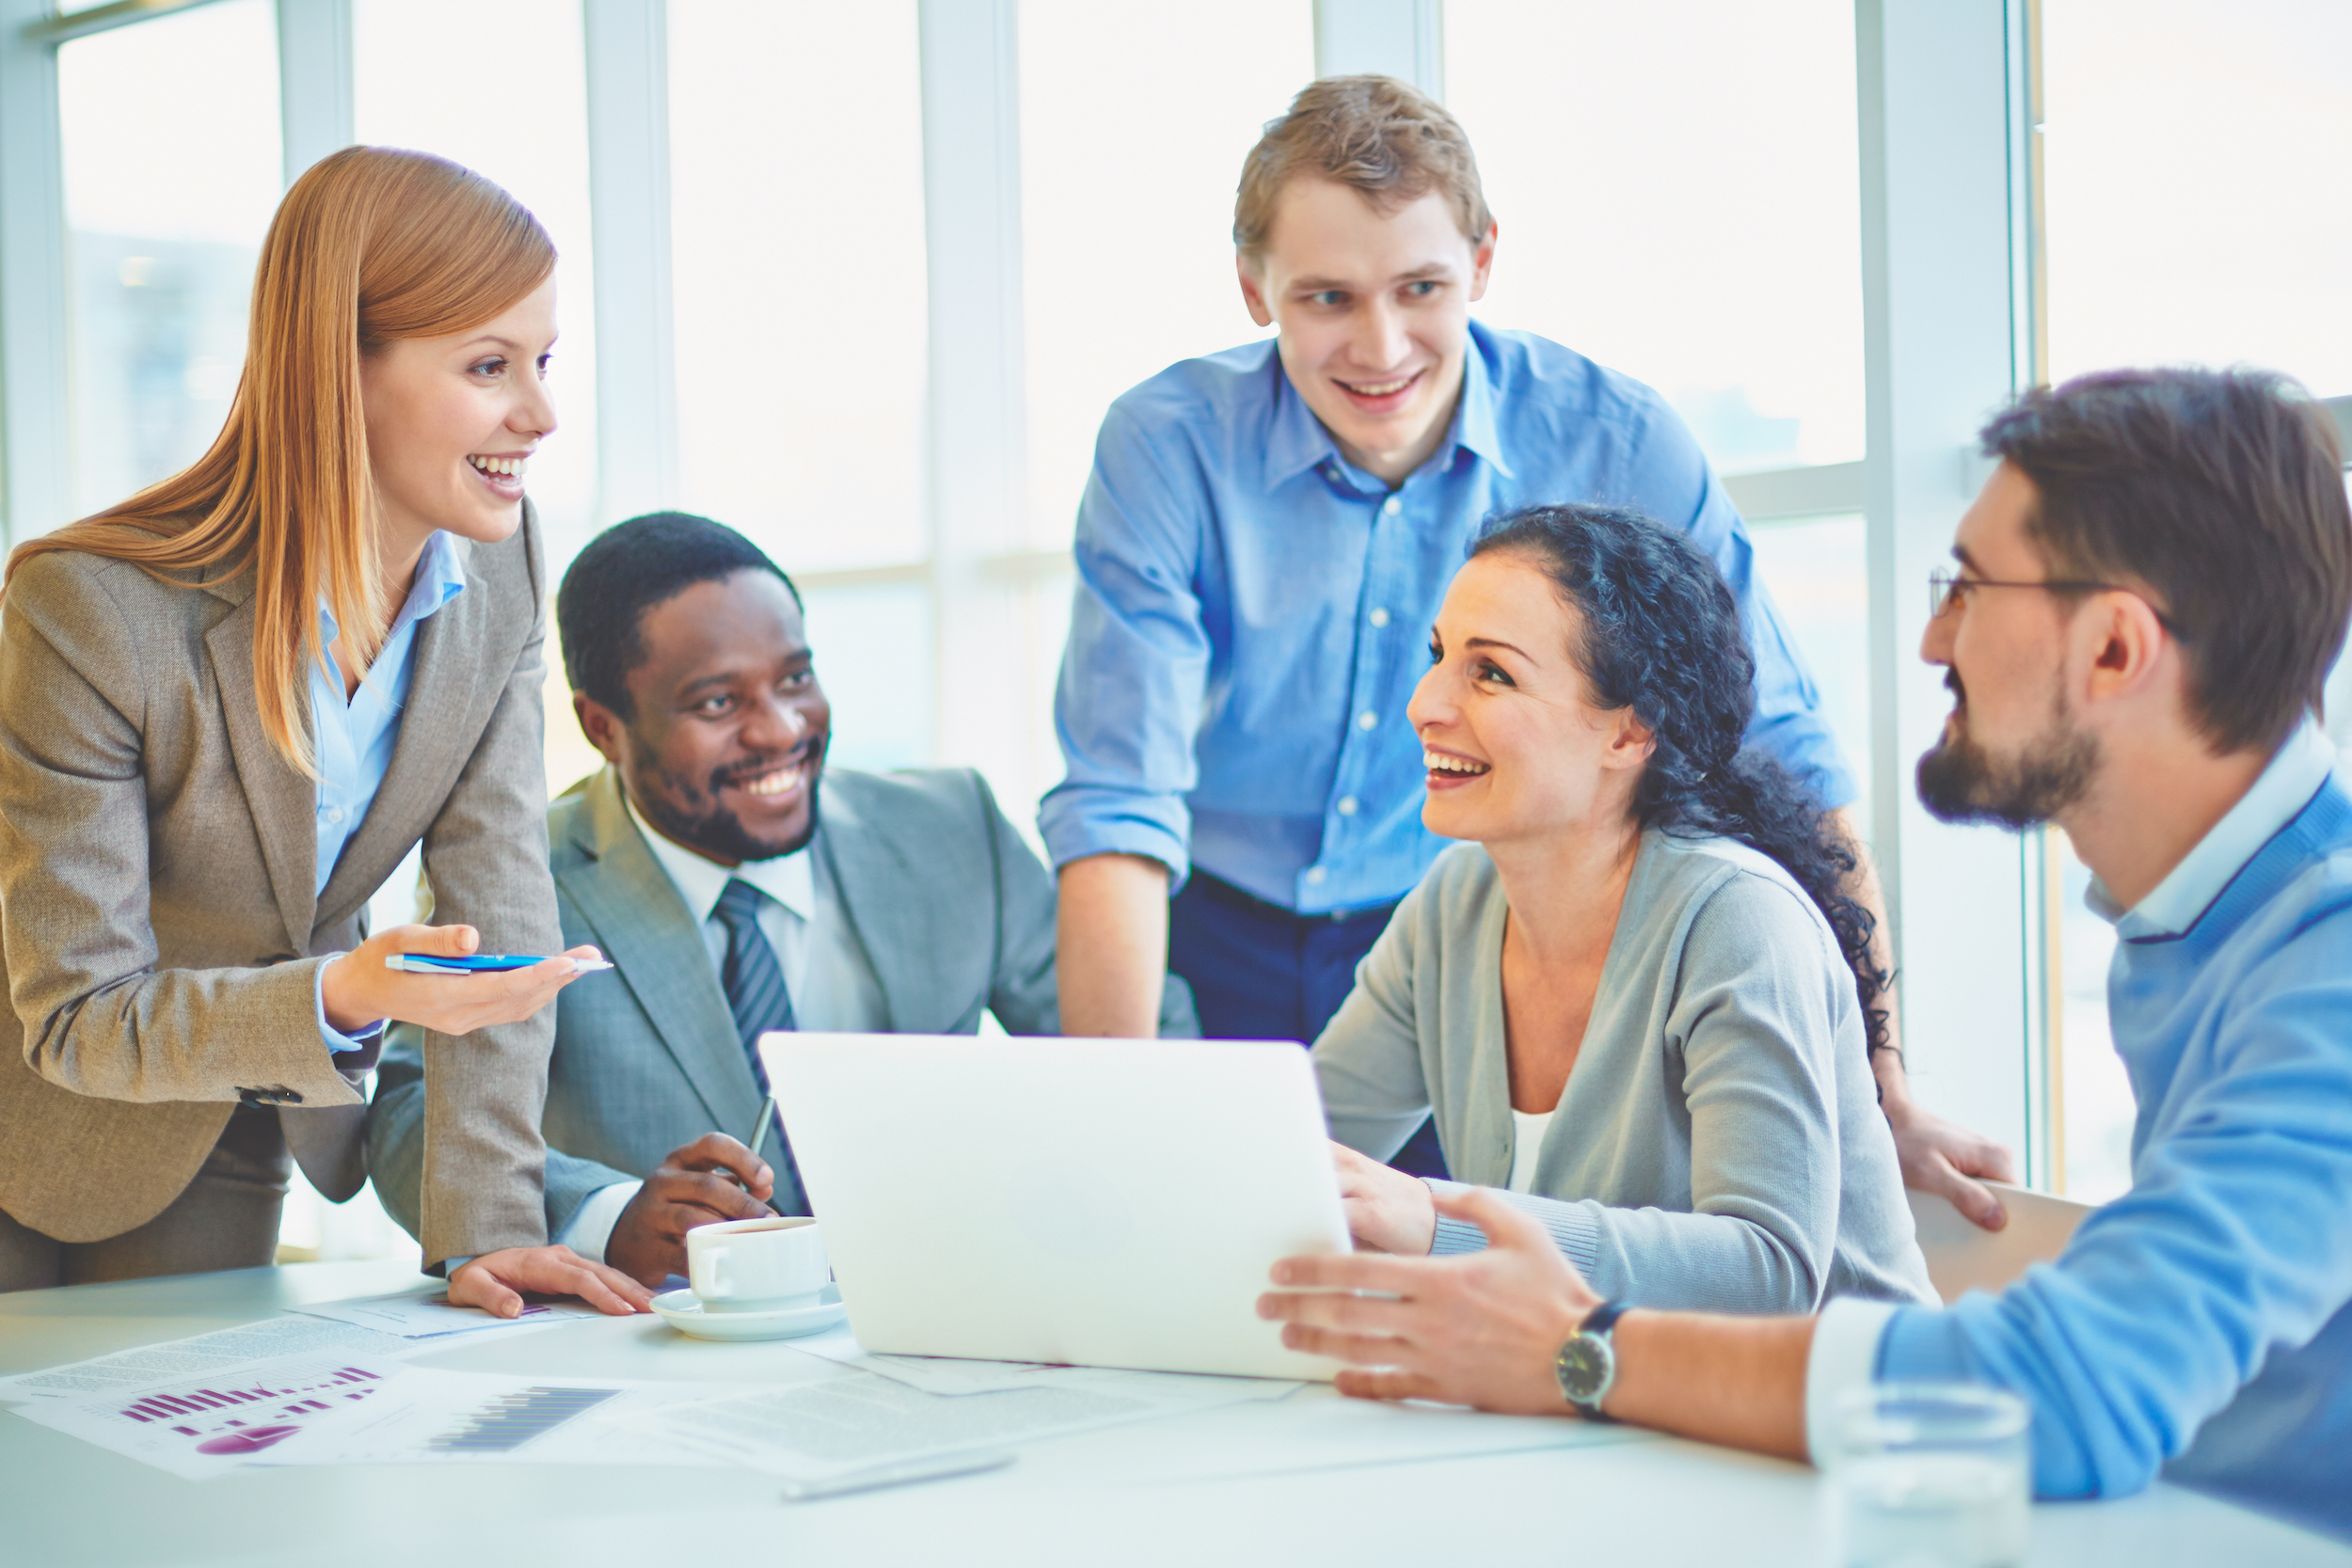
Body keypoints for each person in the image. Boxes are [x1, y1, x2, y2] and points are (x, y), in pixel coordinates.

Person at [1258, 367, 2352, 1540]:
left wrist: (1577, 1350)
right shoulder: (2195, 930)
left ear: (2115, 648)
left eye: (1969, 587)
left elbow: (2064, 1392)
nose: (1933, 634)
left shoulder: (2323, 969)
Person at [1041, 73, 2010, 1220]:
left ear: (1485, 263)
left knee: (1486, 1277)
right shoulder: (1167, 446)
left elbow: (1784, 759)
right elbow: (1119, 808)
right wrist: (1099, 1146)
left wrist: (1879, 1084)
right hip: (1223, 927)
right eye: (1325, 299)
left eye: (1421, 288)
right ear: (1253, 286)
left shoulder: (1618, 437)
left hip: (1484, 936)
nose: (1380, 345)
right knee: (1214, 1244)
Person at [0, 148, 646, 1316]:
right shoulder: (89, 606)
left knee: (188, 1470)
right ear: (340, 369)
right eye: (489, 365)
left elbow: (497, 904)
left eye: (543, 361)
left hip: (243, 1109)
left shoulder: (499, 573)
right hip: (29, 1114)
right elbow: (78, 1012)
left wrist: (486, 1233)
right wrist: (345, 994)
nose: (540, 413)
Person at [368, 514, 1197, 1286]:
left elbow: (1141, 1043)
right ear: (604, 728)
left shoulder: (955, 828)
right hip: (672, 1356)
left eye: (796, 678)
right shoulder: (520, 878)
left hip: (949, 1313)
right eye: (718, 703)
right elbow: (410, 1117)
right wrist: (607, 1217)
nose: (779, 730)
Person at [1315, 504, 1934, 1311]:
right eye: (1439, 656)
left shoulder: (1736, 919)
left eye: (1491, 672)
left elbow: (1770, 1273)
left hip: (1840, 1422)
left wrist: (1435, 1219)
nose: (1425, 702)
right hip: (1616, 1419)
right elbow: (1293, 1158)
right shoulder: (1452, 908)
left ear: (1630, 732)